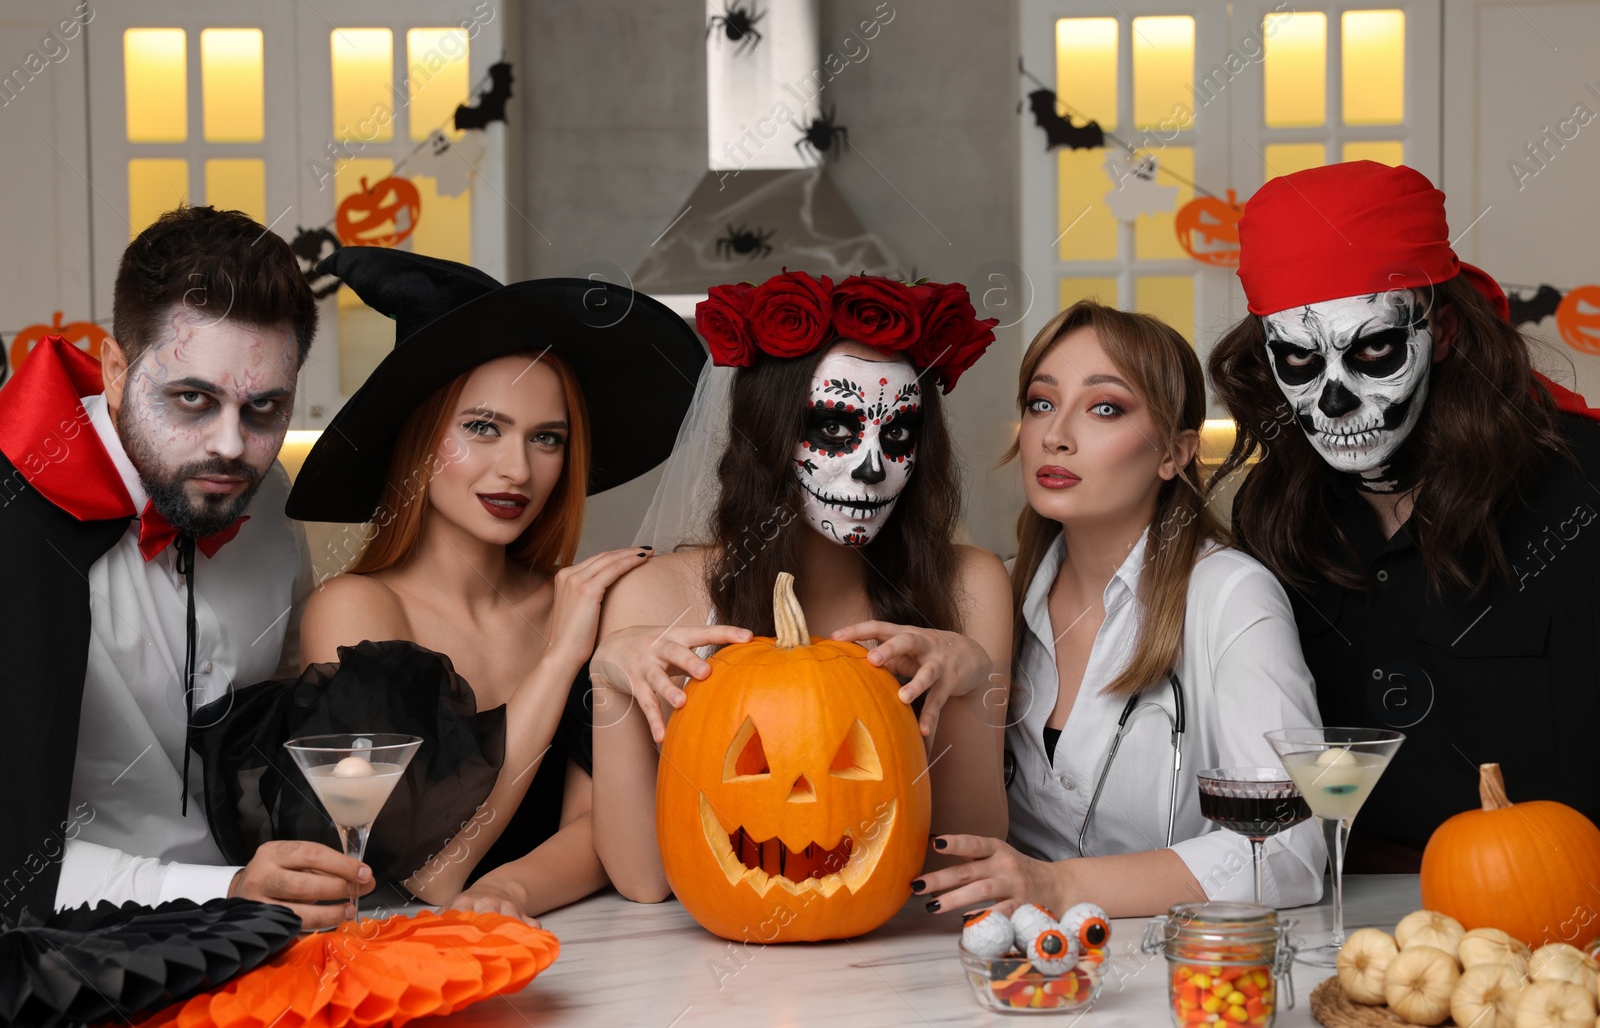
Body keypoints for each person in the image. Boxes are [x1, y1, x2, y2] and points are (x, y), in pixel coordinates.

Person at [206, 246, 707, 923]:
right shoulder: (357, 608)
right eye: (482, 429)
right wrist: (560, 659)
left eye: (547, 438)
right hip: (399, 970)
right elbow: (432, 871)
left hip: (580, 954)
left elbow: (602, 827)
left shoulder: (583, 598)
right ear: (418, 439)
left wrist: (514, 890)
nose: (518, 469)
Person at [1207, 160, 1600, 871]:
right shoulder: (1273, 516)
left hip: (1554, 921)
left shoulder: (1584, 487)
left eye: (1376, 348)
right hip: (1336, 916)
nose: (1334, 401)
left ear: (1443, 331)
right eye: (1298, 359)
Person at [0, 205, 376, 928]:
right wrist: (225, 891)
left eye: (265, 407)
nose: (232, 448)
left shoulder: (268, 507)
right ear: (116, 369)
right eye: (192, 398)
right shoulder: (14, 526)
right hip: (73, 946)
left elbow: (281, 721)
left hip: (257, 918)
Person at [589, 271, 1014, 904]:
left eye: (897, 435)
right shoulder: (656, 597)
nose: (871, 468)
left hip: (909, 963)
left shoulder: (972, 584)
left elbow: (964, 856)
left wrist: (972, 687)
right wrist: (606, 681)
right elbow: (646, 881)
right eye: (835, 431)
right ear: (767, 435)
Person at [916, 301, 1326, 918]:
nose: (1056, 435)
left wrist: (1057, 887)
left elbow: (1289, 851)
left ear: (1175, 453)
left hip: (1179, 978)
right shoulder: (988, 597)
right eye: (1041, 403)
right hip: (1014, 972)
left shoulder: (1232, 597)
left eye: (1105, 408)